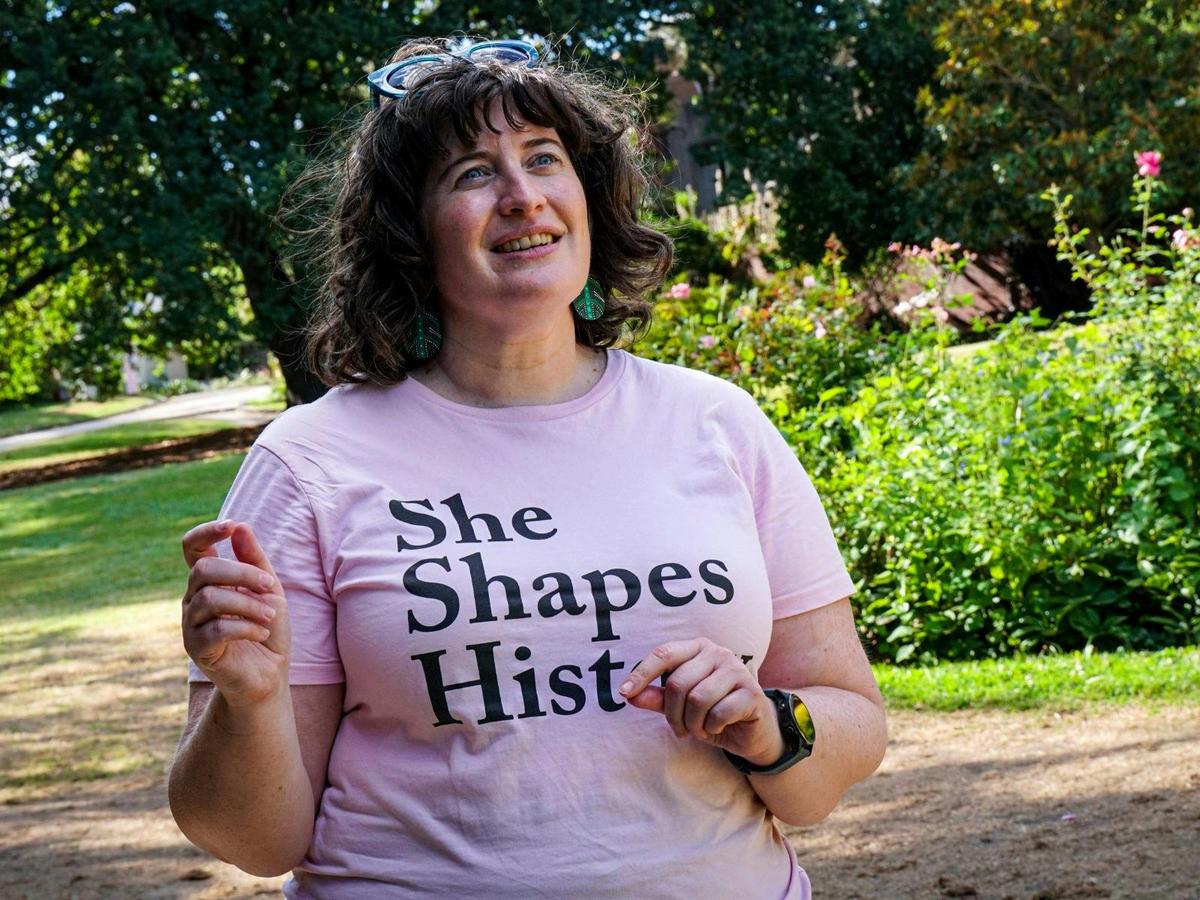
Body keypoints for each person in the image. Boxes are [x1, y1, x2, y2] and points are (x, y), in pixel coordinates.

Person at [168, 37, 886, 899]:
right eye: (472, 173)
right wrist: (245, 703)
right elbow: (252, 839)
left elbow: (852, 723)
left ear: (587, 196)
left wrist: (771, 725)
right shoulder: (311, 464)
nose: (521, 197)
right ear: (409, 230)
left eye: (544, 159)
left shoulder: (715, 422)